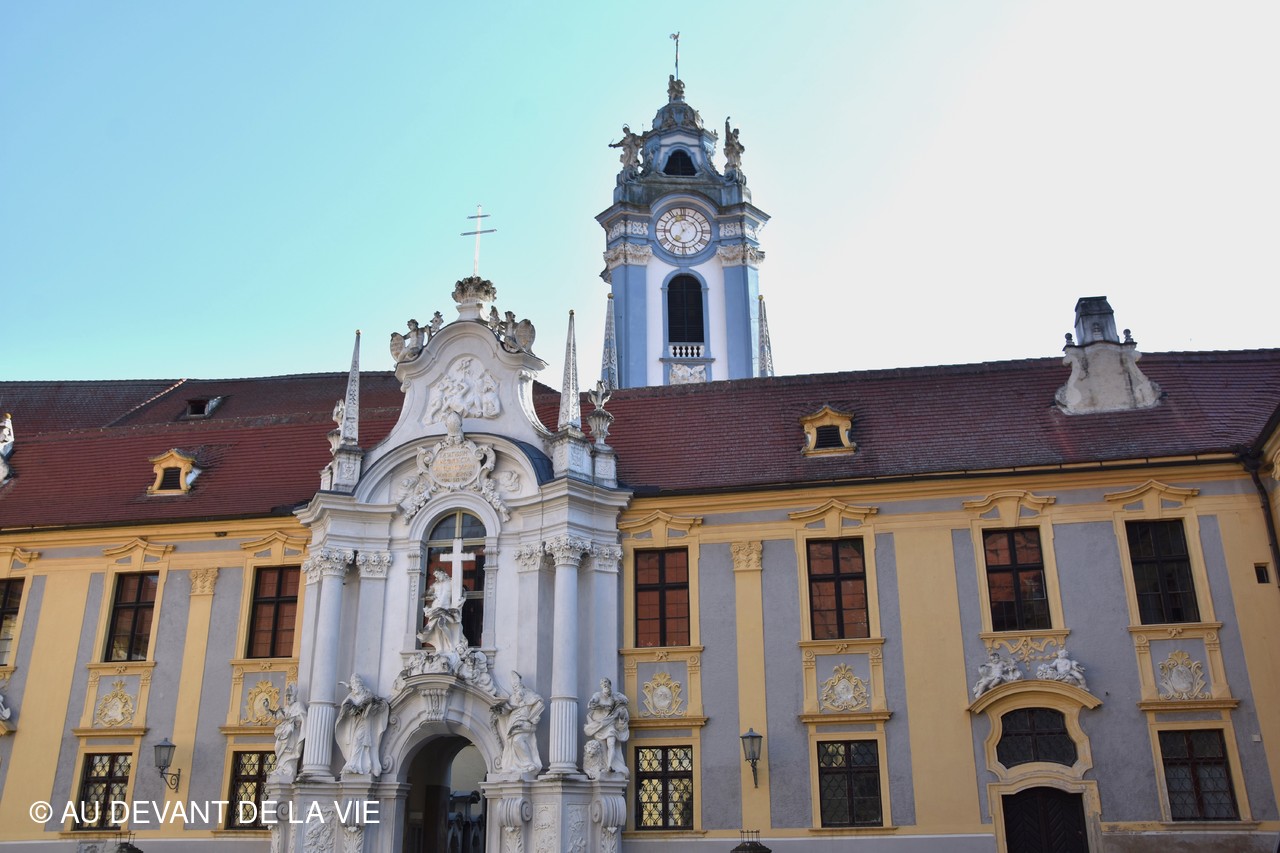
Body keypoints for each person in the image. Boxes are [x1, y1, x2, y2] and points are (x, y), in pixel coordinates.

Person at [496, 671, 544, 776]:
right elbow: (507, 709)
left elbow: (539, 702)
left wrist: (533, 717)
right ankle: (517, 765)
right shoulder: (513, 698)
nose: (515, 688)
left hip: (525, 723)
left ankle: (528, 763)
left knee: (517, 740)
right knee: (512, 742)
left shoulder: (529, 694)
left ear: (521, 684)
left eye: (516, 685)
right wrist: (499, 710)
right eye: (514, 686)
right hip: (513, 723)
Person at [584, 677, 630, 776]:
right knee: (603, 748)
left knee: (611, 744)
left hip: (611, 724)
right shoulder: (597, 695)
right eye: (602, 683)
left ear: (609, 684)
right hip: (600, 725)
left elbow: (626, 701)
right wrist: (596, 703)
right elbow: (592, 702)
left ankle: (610, 765)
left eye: (605, 682)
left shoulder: (616, 695)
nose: (604, 684)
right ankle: (605, 765)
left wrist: (618, 701)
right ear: (601, 686)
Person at [272, 683, 306, 780]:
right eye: (286, 696)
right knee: (278, 748)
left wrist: (292, 718)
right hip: (283, 734)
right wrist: (267, 709)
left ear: (294, 696)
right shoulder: (286, 708)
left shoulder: (298, 705)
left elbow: (303, 717)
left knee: (289, 752)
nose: (287, 698)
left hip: (293, 735)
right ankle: (280, 767)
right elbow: (277, 715)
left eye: (289, 695)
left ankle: (287, 771)